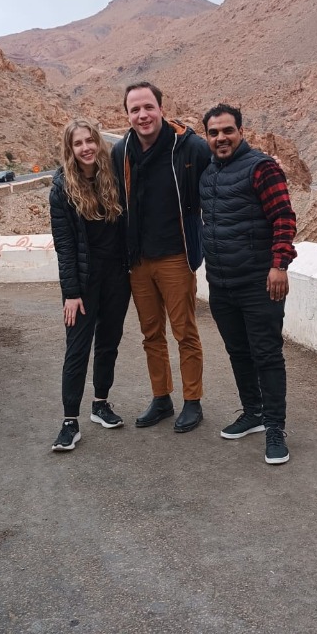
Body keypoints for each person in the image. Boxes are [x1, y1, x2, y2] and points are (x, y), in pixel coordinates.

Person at [199, 103, 297, 465]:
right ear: (206, 137)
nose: (221, 138)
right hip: (222, 284)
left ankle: (275, 427)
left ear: (241, 131)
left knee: (266, 354)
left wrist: (279, 266)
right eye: (214, 132)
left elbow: (284, 218)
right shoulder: (208, 174)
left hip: (260, 283)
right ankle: (253, 412)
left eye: (227, 130)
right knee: (238, 351)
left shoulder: (262, 167)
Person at [112, 81, 210, 433]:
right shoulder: (121, 151)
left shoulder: (189, 147)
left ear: (161, 109)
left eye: (148, 107)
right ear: (127, 115)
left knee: (185, 331)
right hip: (138, 259)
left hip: (176, 255)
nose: (142, 115)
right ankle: (161, 398)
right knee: (151, 333)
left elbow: (219, 179)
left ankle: (193, 400)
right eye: (135, 109)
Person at [50, 117, 131, 452]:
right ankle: (70, 421)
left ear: (98, 142)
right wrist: (71, 293)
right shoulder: (62, 188)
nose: (85, 148)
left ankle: (100, 404)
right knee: (77, 349)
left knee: (109, 342)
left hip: (116, 276)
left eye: (89, 141)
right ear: (70, 149)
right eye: (78, 143)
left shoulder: (111, 176)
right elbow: (65, 246)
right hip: (83, 283)